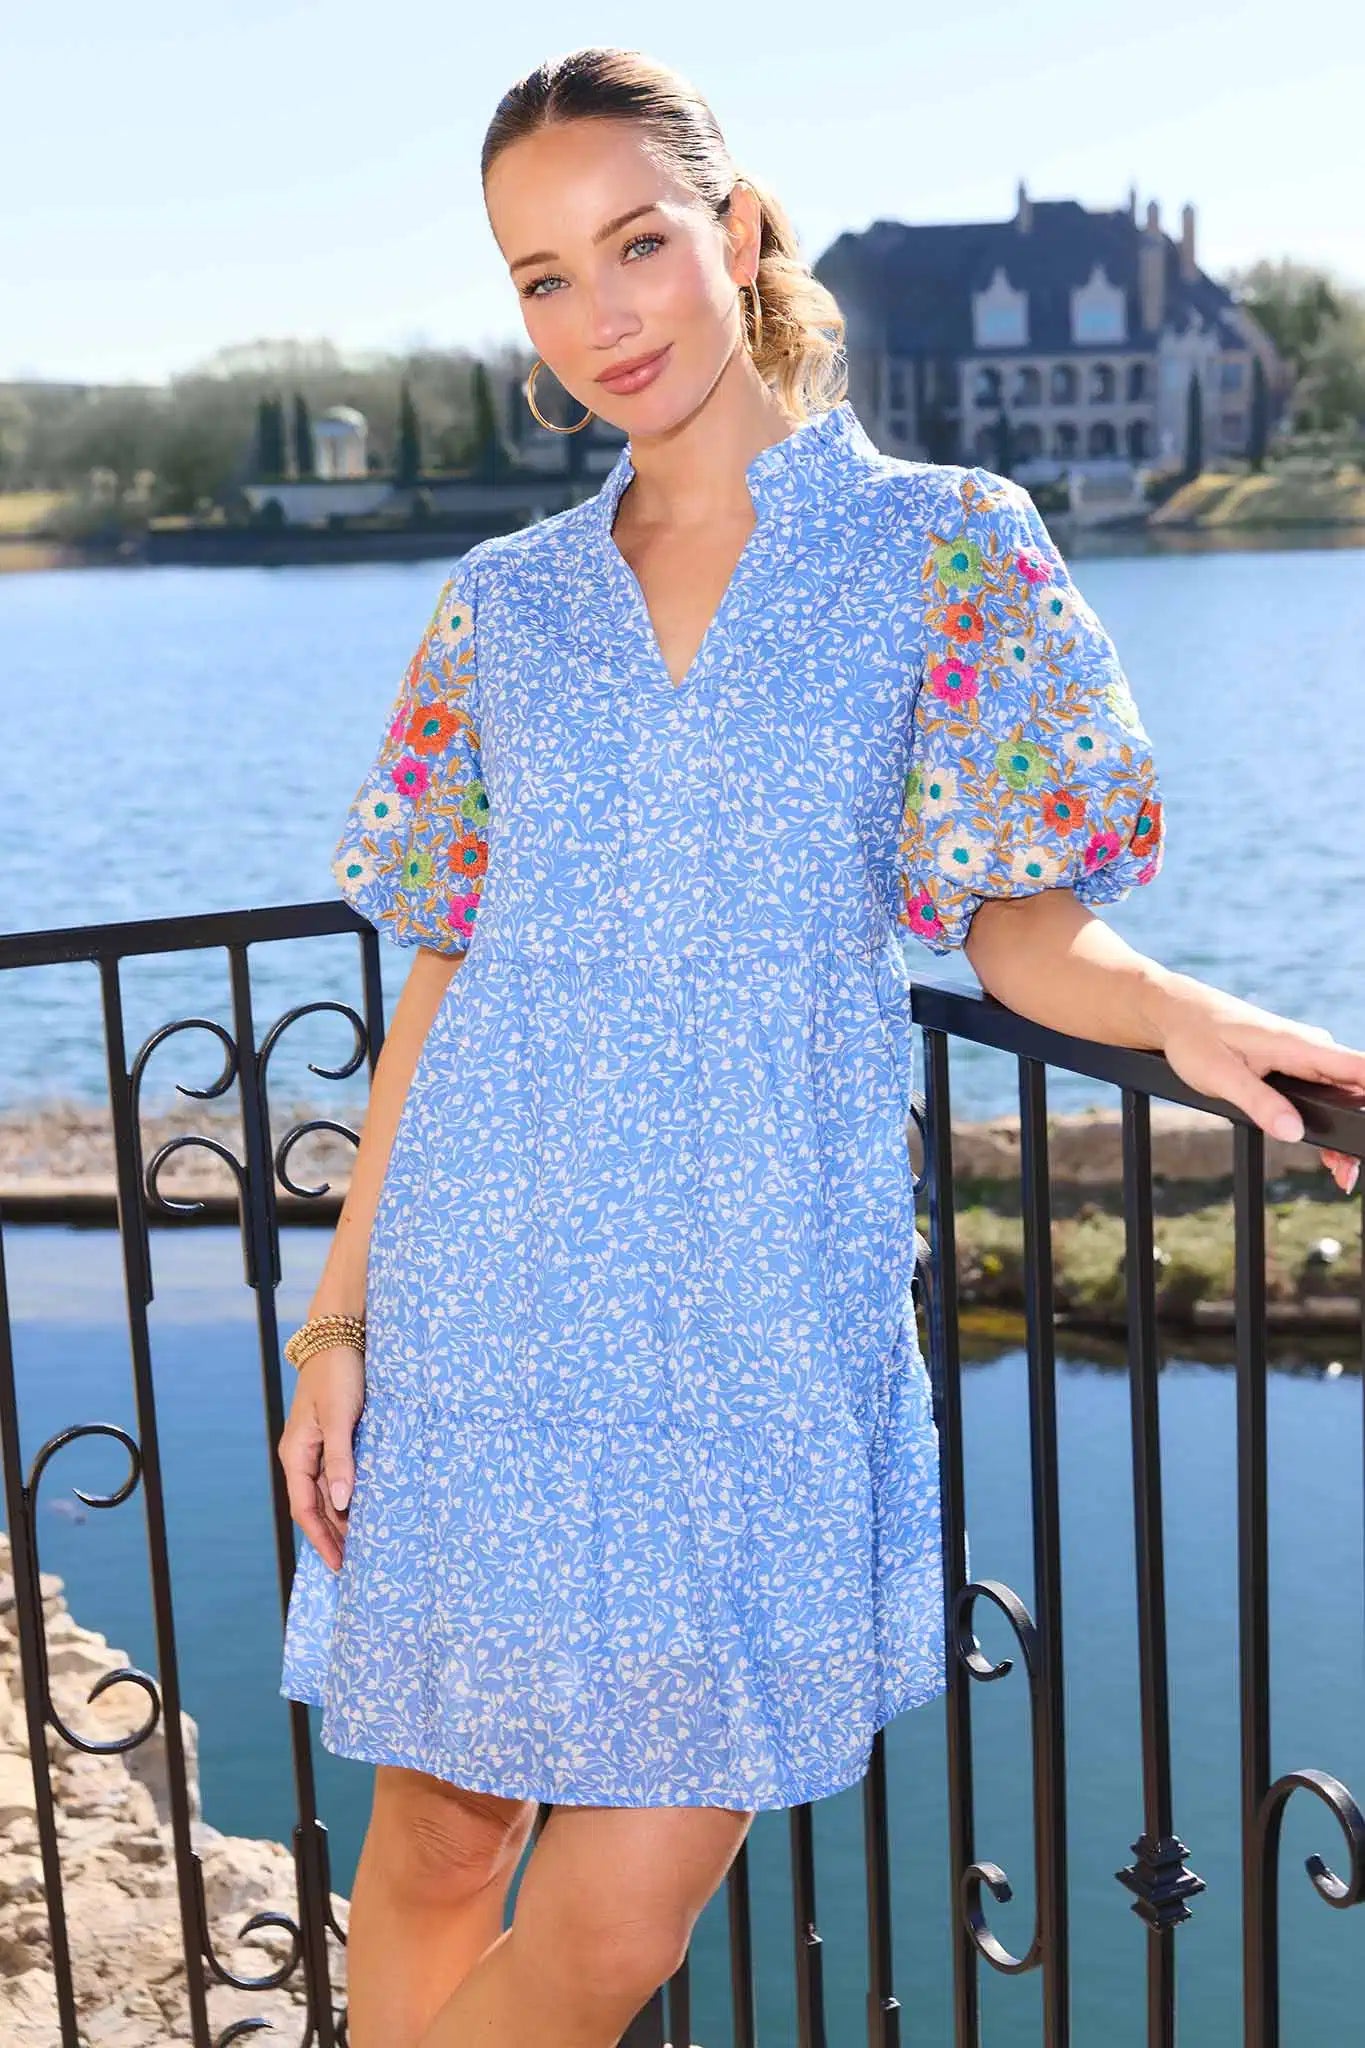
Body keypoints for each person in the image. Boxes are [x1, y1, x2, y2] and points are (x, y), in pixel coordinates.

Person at [275, 46, 1365, 2048]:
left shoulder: (941, 546)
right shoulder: (500, 606)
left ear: (736, 229)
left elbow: (1024, 929)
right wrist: (337, 1322)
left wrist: (1194, 1018)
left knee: (614, 1912)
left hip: (758, 1314)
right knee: (438, 1835)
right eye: (536, 278)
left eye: (632, 244)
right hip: (485, 1290)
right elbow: (437, 966)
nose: (594, 316)